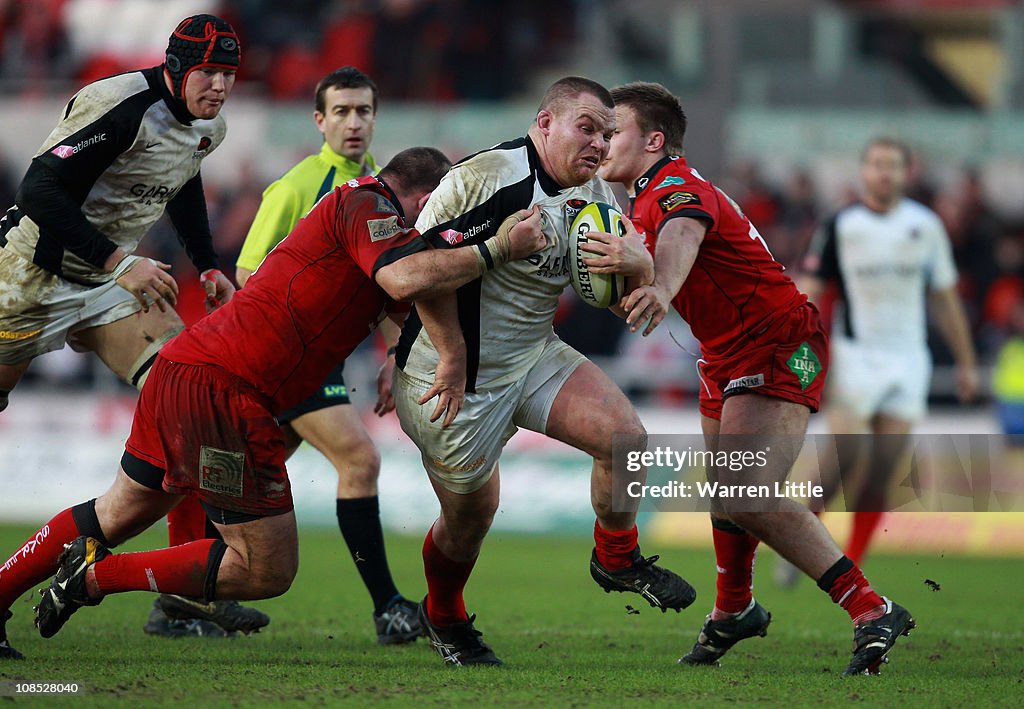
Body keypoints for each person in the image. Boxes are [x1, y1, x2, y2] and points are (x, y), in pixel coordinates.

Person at [2, 147, 549, 658]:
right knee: (266, 569)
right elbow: (405, 279)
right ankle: (95, 578)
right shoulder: (367, 203)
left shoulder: (371, 218)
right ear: (428, 199)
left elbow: (403, 295)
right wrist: (498, 247)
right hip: (228, 392)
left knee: (117, 511)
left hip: (186, 369)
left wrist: (401, 352)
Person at [597, 81, 913, 676]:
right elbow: (643, 292)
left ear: (654, 140)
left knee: (746, 489)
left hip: (778, 340)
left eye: (614, 130)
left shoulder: (674, 187)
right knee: (728, 490)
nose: (603, 141)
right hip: (727, 352)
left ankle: (872, 608)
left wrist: (660, 285)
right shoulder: (636, 201)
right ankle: (733, 609)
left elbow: (682, 237)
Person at [391, 76, 695, 668]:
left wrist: (639, 267)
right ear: (545, 121)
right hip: (451, 374)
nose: (601, 146)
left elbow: (610, 296)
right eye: (587, 129)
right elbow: (419, 271)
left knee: (627, 439)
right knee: (470, 521)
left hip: (532, 355)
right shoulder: (486, 178)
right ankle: (445, 615)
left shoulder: (598, 197)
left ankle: (616, 555)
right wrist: (453, 355)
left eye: (609, 135)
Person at [0, 14, 259, 657]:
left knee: (193, 399)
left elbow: (183, 181)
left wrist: (210, 266)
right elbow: (38, 189)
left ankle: (182, 596)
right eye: (210, 74)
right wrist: (120, 260)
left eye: (230, 75)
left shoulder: (209, 126)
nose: (221, 87)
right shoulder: (118, 104)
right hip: (27, 276)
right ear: (175, 67)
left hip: (109, 287)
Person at [228, 67, 417, 644]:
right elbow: (247, 272)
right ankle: (388, 606)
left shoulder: (382, 191)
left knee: (247, 476)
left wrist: (394, 354)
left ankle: (183, 598)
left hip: (323, 357)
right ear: (320, 120)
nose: (353, 122)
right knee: (359, 461)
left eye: (363, 111)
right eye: (341, 112)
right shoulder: (295, 187)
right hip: (291, 355)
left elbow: (389, 283)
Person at [795, 137, 978, 568]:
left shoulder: (925, 225)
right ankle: (801, 534)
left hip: (909, 360)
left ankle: (850, 564)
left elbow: (946, 297)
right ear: (863, 171)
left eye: (892, 166)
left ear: (905, 172)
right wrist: (796, 343)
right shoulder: (841, 224)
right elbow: (811, 289)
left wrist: (966, 361)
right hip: (856, 356)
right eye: (876, 164)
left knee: (882, 469)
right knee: (846, 456)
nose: (884, 173)